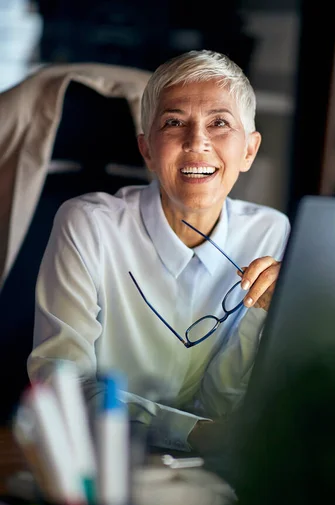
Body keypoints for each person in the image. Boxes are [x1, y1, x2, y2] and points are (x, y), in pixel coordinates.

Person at [27, 49, 290, 453]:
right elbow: (63, 386)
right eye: (174, 122)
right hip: (98, 457)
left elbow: (221, 400)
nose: (197, 141)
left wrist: (262, 316)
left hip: (206, 468)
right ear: (148, 150)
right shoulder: (88, 225)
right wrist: (193, 432)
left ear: (249, 151)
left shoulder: (270, 231)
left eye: (219, 122)